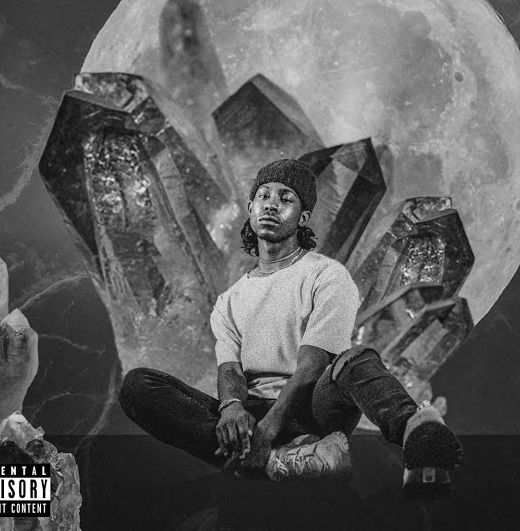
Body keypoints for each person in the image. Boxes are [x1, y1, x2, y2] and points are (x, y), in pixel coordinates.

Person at [118, 158, 464, 496]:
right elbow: (230, 370)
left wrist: (266, 432)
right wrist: (232, 408)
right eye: (264, 196)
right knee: (138, 385)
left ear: (303, 217)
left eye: (286, 199)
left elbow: (312, 366)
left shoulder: (327, 275)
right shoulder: (229, 300)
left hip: (311, 410)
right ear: (251, 208)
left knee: (356, 359)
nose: (272, 205)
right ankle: (285, 461)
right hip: (251, 412)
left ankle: (418, 434)